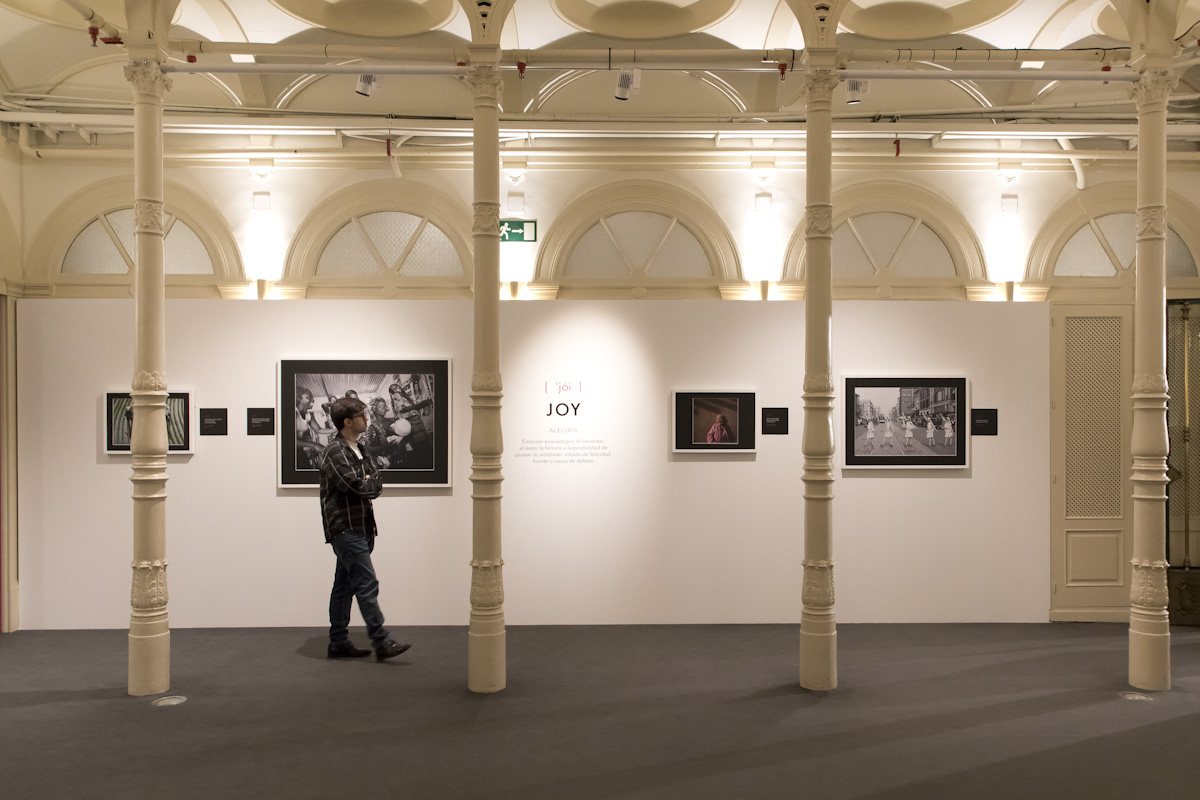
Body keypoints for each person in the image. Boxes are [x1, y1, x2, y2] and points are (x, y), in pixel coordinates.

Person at [319, 396, 410, 662]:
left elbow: (376, 481)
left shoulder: (360, 448)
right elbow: (355, 486)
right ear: (347, 421)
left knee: (344, 585)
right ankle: (381, 641)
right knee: (366, 583)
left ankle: (338, 642)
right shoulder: (334, 451)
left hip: (363, 526)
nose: (367, 418)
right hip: (345, 527)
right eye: (361, 415)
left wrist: (369, 480)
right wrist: (368, 480)